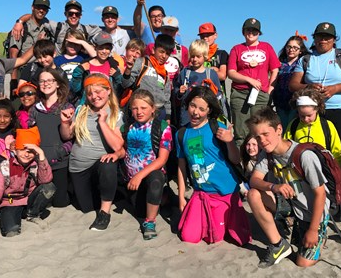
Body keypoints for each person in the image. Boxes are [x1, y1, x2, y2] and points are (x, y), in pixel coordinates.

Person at [247, 107, 330, 268]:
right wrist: (273, 186)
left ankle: (319, 232)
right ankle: (278, 244)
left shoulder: (304, 156)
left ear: (279, 130)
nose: (262, 141)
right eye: (258, 137)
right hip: (291, 203)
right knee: (253, 194)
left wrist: (313, 230)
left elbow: (321, 194)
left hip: (312, 210)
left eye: (265, 134)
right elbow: (254, 181)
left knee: (303, 263)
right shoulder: (267, 153)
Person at [176, 87, 251, 246]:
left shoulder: (217, 127)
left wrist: (230, 141)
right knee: (188, 236)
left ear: (209, 111)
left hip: (225, 193)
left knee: (220, 236)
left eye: (202, 109)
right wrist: (181, 196)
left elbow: (236, 159)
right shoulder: (181, 133)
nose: (196, 112)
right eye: (193, 106)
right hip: (201, 194)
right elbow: (182, 166)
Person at [60, 74, 124, 230]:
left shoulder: (116, 113)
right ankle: (113, 193)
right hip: (78, 168)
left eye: (98, 92)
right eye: (89, 93)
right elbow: (67, 136)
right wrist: (64, 123)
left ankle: (105, 213)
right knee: (86, 207)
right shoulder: (81, 109)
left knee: (109, 164)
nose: (94, 97)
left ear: (108, 90)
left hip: (99, 165)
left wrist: (102, 122)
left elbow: (117, 146)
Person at [289, 22, 341, 151]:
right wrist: (308, 86)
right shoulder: (306, 59)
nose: (323, 40)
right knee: (312, 150)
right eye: (319, 37)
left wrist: (336, 88)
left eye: (327, 37)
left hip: (340, 111)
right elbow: (293, 85)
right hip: (312, 112)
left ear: (334, 39)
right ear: (314, 38)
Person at [112, 90, 172, 240]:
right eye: (135, 108)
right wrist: (116, 154)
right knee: (139, 209)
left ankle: (150, 222)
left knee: (156, 179)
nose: (139, 112)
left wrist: (140, 175)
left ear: (153, 109)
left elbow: (162, 159)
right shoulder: (128, 128)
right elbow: (125, 150)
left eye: (144, 108)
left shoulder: (162, 127)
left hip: (149, 175)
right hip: (130, 179)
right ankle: (162, 199)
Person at [0, 127, 56, 238]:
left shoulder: (37, 164)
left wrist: (41, 155)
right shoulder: (5, 167)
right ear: (15, 150)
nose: (26, 154)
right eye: (22, 150)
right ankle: (1, 217)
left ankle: (32, 214)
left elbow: (46, 180)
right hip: (10, 202)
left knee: (49, 187)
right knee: (11, 232)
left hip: (28, 200)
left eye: (31, 151)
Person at [227, 18, 280, 147]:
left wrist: (270, 90)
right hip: (240, 93)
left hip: (260, 94)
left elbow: (275, 69)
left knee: (261, 130)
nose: (251, 33)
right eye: (248, 30)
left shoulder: (266, 47)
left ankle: (261, 161)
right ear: (243, 32)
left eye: (255, 31)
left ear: (259, 33)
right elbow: (231, 72)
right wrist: (248, 79)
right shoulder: (237, 48)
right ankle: (242, 163)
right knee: (241, 131)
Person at [27, 68, 74, 208]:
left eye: (49, 80)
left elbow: (71, 138)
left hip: (60, 161)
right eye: (42, 81)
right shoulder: (35, 109)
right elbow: (31, 135)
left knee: (60, 203)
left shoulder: (67, 107)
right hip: (40, 162)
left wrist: (60, 152)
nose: (45, 83)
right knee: (42, 200)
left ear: (58, 84)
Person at [12, 0, 102, 55]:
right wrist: (20, 21)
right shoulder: (56, 26)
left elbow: (107, 30)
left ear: (81, 15)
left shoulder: (88, 29)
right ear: (65, 14)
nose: (74, 16)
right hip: (59, 68)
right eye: (70, 13)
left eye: (77, 14)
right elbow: (37, 16)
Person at [284, 87, 341, 167]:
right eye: (302, 116)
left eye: (309, 115)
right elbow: (285, 146)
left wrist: (335, 168)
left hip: (323, 168)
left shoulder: (327, 126)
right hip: (299, 169)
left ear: (317, 109)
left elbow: (337, 151)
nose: (306, 119)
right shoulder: (293, 125)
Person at [8, 0, 55, 95]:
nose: (41, 10)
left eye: (45, 8)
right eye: (39, 7)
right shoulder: (21, 28)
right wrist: (14, 81)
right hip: (23, 71)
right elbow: (13, 57)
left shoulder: (47, 26)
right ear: (32, 7)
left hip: (42, 71)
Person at [121, 34, 173, 121]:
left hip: (159, 113)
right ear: (153, 50)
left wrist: (168, 117)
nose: (164, 56)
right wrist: (128, 69)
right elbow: (125, 84)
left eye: (167, 53)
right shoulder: (142, 63)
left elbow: (167, 98)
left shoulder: (165, 73)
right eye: (161, 52)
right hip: (140, 112)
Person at [173, 39, 224, 127]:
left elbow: (219, 94)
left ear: (205, 57)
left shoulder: (211, 74)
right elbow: (176, 91)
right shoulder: (185, 72)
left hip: (206, 116)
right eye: (192, 56)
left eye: (198, 56)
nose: (194, 59)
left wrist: (213, 93)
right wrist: (180, 92)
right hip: (186, 115)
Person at [70, 31, 123, 105]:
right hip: (87, 106)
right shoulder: (85, 66)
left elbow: (117, 90)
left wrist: (117, 76)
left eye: (107, 48)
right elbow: (75, 89)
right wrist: (78, 71)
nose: (104, 51)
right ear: (95, 48)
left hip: (107, 107)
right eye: (101, 48)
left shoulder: (113, 66)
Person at [273, 33, 309, 128]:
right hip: (280, 102)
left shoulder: (304, 64)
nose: (291, 50)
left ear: (300, 50)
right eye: (289, 47)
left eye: (295, 48)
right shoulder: (279, 63)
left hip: (295, 103)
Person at [144, 16, 189, 82]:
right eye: (166, 30)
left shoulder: (183, 50)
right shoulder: (151, 47)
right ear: (161, 29)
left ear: (177, 31)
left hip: (174, 88)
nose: (168, 33)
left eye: (172, 30)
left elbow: (185, 71)